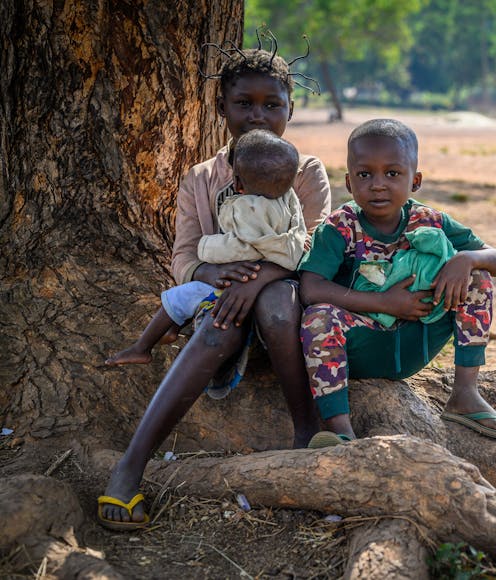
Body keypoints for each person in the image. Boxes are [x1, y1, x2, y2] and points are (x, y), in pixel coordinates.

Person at [98, 47, 330, 530]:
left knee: (275, 304)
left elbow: (315, 248)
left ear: (290, 108)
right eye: (244, 103)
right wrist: (210, 275)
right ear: (221, 108)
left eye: (273, 104)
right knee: (218, 324)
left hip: (287, 303)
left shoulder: (305, 172)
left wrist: (262, 276)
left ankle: (306, 428)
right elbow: (184, 256)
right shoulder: (202, 179)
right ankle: (129, 467)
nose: (258, 115)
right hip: (224, 299)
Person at [298, 118, 496, 449]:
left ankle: (465, 394)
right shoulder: (339, 227)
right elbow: (310, 288)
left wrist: (467, 259)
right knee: (318, 317)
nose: (377, 184)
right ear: (348, 182)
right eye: (364, 174)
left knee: (478, 278)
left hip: (419, 336)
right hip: (363, 345)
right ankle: (341, 431)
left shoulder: (430, 221)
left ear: (415, 181)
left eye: (392, 173)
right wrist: (385, 302)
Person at [104, 129, 307, 374]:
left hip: (236, 281)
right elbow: (299, 241)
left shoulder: (242, 208)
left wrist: (206, 249)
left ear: (237, 182)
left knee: (177, 297)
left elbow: (239, 246)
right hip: (279, 284)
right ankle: (173, 327)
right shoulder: (290, 204)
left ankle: (142, 347)